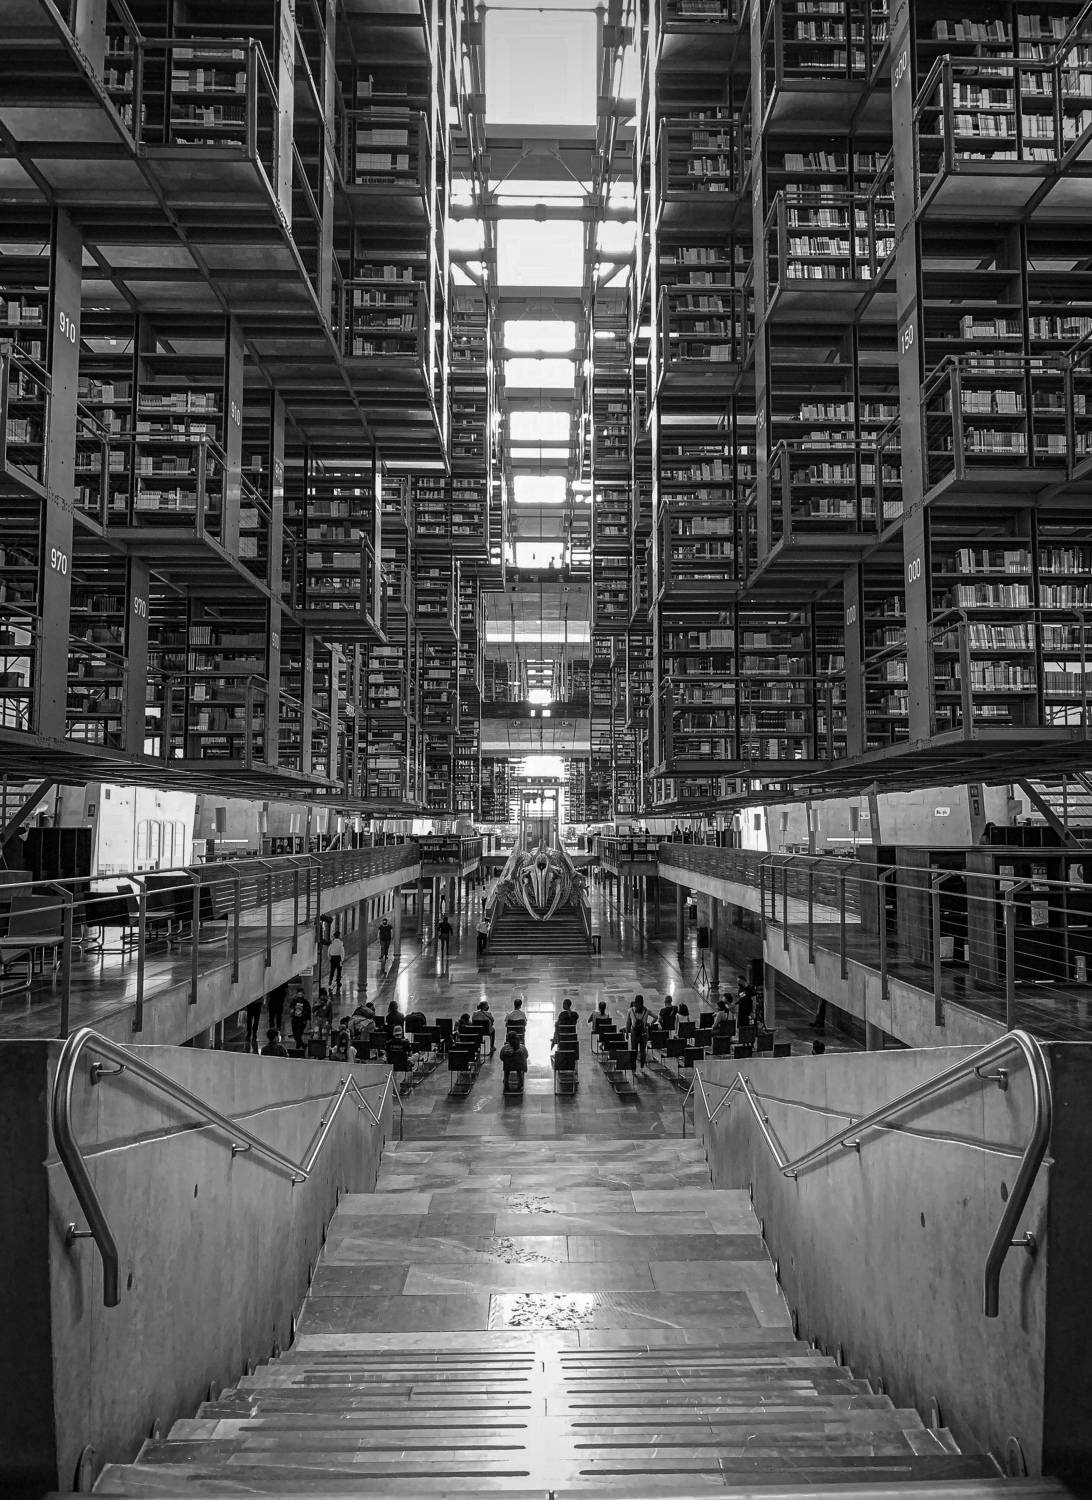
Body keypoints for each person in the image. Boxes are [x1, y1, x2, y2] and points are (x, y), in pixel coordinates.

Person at [626, 993, 651, 1069]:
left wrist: (627, 1033)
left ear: (635, 1001)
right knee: (643, 1051)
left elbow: (628, 1023)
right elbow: (656, 1017)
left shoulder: (630, 1010)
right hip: (643, 1033)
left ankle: (634, 1069)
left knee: (634, 1051)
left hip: (634, 1033)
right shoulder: (646, 1010)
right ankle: (642, 1067)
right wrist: (649, 1024)